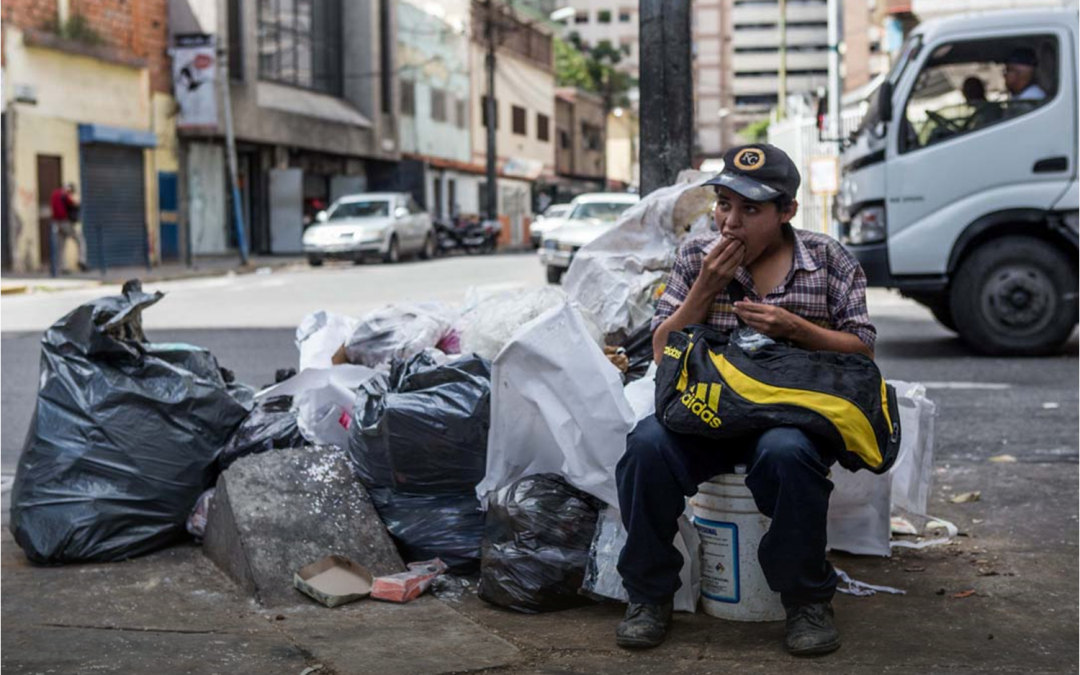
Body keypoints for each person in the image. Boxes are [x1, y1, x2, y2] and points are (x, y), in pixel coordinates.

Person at [614, 144, 876, 655]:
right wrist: (704, 291)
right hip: (706, 412)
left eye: (751, 210)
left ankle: (806, 599)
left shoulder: (826, 260)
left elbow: (862, 351)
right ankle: (648, 595)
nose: (730, 222)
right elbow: (663, 350)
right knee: (645, 447)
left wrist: (798, 329)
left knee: (788, 454)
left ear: (786, 213)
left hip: (788, 417)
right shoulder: (696, 257)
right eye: (723, 204)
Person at [50, 183, 88, 272]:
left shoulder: (54, 194)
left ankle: (62, 266)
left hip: (56, 223)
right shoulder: (65, 194)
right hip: (66, 222)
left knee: (61, 245)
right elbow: (74, 203)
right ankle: (81, 260)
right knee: (80, 240)